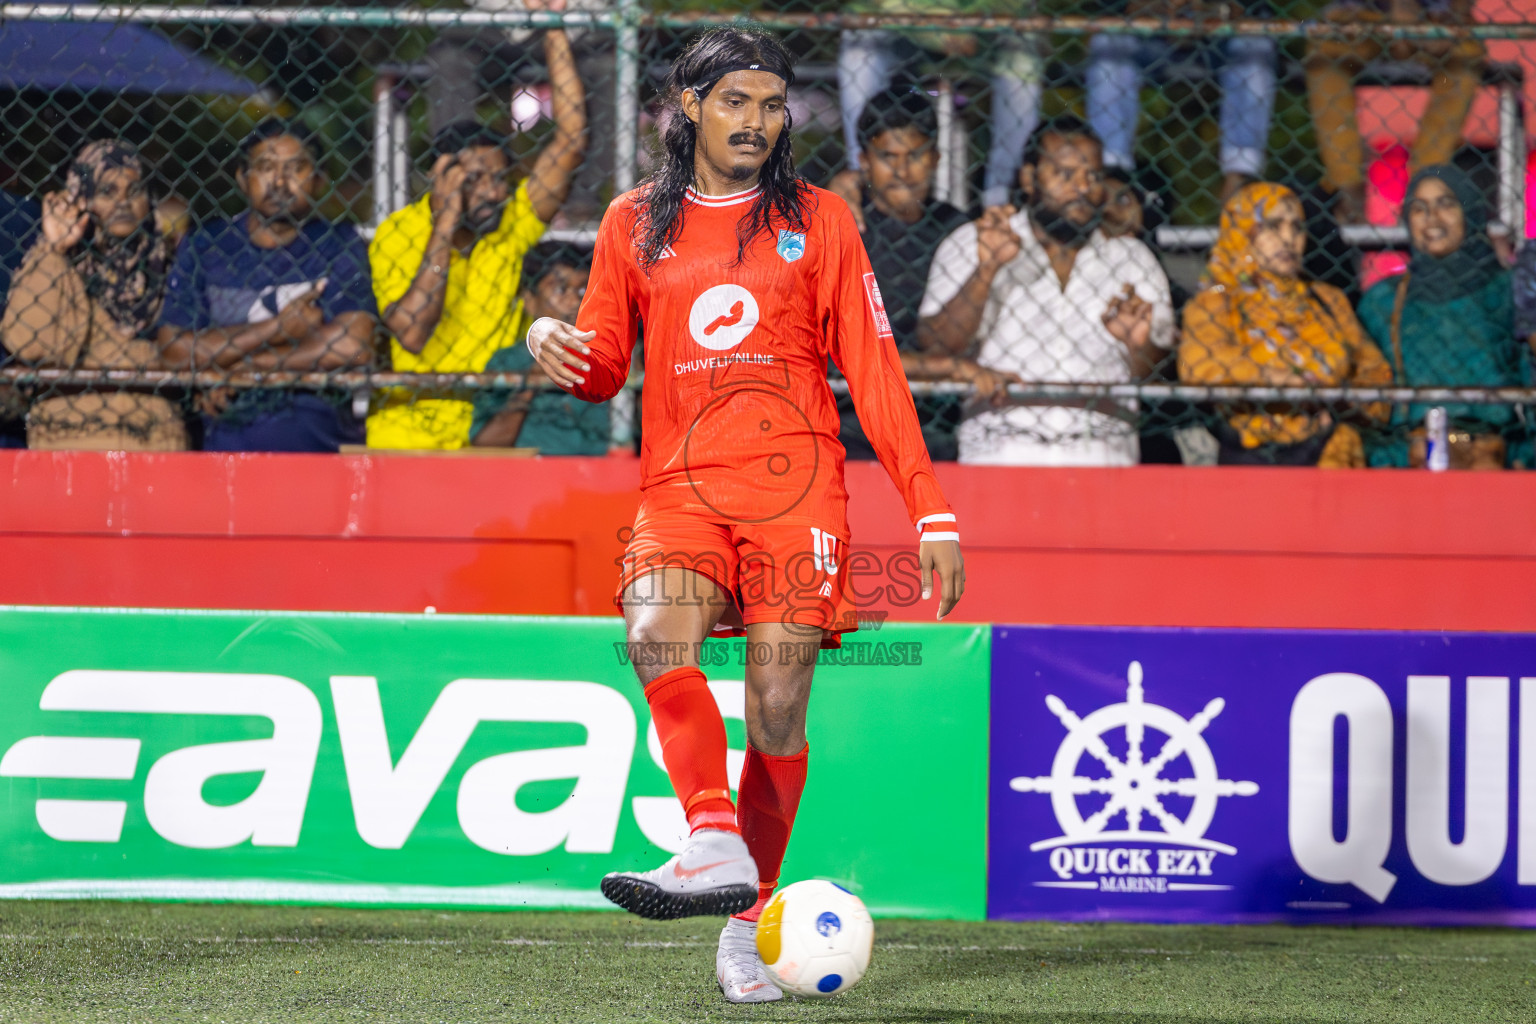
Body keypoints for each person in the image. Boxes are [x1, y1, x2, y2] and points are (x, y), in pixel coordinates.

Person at [524, 26, 964, 1004]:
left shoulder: (821, 219)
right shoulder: (632, 222)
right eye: (735, 102)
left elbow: (875, 372)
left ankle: (742, 926)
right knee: (653, 633)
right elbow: (603, 370)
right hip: (681, 485)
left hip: (796, 493)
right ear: (689, 107)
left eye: (772, 105)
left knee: (775, 703)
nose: (756, 122)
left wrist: (930, 510)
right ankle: (712, 833)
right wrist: (555, 340)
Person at [369, 11, 586, 450]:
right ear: (442, 176)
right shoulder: (399, 231)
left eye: (499, 179)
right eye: (475, 179)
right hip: (407, 430)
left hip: (488, 428)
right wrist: (445, 225)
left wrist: (553, 24)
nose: (492, 191)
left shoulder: (509, 222)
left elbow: (570, 138)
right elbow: (412, 333)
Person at [918, 115, 1173, 466]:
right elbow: (937, 345)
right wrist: (987, 270)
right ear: (1029, 178)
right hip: (1000, 456)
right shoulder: (975, 240)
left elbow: (1157, 375)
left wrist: (1138, 345)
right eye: (1065, 174)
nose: (1082, 187)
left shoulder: (1132, 258)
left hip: (1103, 458)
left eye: (1093, 176)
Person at [157, 119, 376, 451]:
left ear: (319, 179)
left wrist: (247, 367)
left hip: (316, 440)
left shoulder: (338, 243)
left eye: (296, 168)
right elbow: (174, 351)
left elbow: (352, 345)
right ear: (242, 179)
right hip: (224, 437)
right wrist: (278, 328)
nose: (280, 181)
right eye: (265, 167)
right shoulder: (206, 245)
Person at [826, 85, 1016, 462]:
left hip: (934, 421)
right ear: (864, 161)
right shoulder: (841, 227)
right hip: (850, 421)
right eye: (888, 156)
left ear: (935, 158)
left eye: (915, 155)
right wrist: (949, 369)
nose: (902, 169)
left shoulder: (958, 229)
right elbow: (839, 356)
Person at [1180, 182, 1392, 466]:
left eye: (1296, 227)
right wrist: (1288, 382)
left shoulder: (1327, 301)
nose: (1288, 238)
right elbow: (1199, 367)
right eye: (1272, 226)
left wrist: (1344, 403)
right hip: (1251, 460)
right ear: (1242, 230)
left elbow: (1376, 376)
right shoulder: (1217, 301)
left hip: (1329, 454)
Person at [1, 141, 185, 450]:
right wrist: (54, 248)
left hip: (154, 444)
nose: (123, 202)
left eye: (134, 190)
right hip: (69, 443)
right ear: (82, 198)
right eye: (107, 192)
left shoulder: (170, 267)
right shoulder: (59, 264)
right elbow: (29, 344)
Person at [1361, 165, 1529, 468]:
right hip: (1410, 453)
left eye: (1446, 204)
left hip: (1492, 450)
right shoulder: (1383, 301)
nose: (1432, 219)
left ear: (1470, 212)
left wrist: (1518, 456)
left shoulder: (1505, 290)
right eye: (1419, 209)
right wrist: (1397, 455)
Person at [839, 3, 1042, 206]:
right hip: (903, 27)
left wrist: (976, 21)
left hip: (983, 33)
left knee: (1023, 55)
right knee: (858, 46)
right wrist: (938, 31)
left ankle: (1002, 199)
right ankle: (860, 178)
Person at [1305, 0, 1483, 224]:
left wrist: (1454, 18)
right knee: (1324, 51)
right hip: (1362, 15)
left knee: (1466, 54)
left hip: (1434, 19)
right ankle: (1347, 189)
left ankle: (1425, 184)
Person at [1088, 0, 1276, 203]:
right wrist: (1163, 11)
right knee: (1108, 42)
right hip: (1150, 39)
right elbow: (1116, 10)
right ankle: (1111, 169)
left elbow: (1251, 12)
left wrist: (1213, 11)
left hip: (1220, 41)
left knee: (1256, 46)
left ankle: (1241, 175)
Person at [470, 241, 609, 452]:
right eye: (560, 289)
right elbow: (486, 443)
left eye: (583, 290)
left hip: (600, 468)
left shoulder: (610, 353)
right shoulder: (509, 361)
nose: (574, 301)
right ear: (530, 300)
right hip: (532, 467)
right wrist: (530, 385)